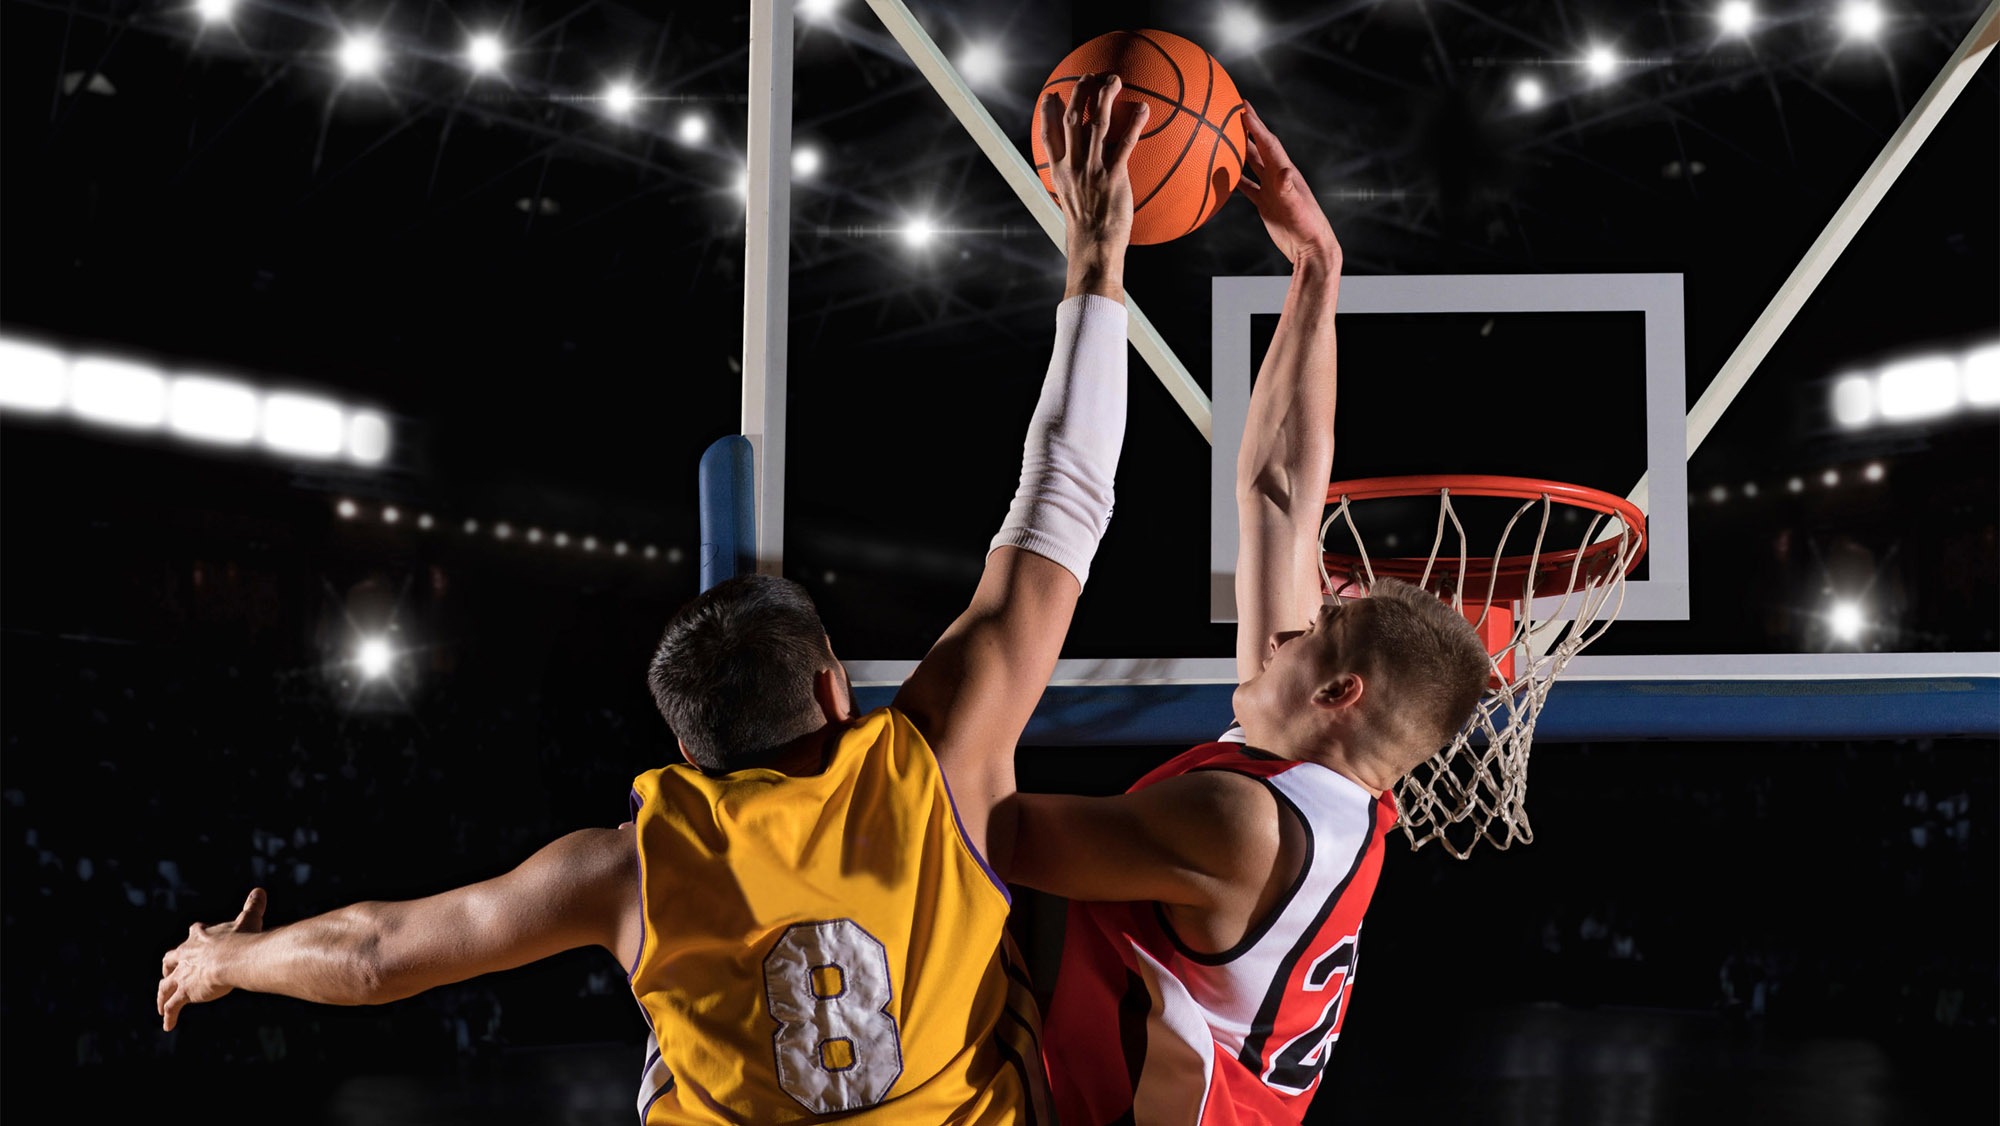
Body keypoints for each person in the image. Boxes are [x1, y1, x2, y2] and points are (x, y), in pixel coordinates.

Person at [157, 72, 1152, 1124]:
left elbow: (374, 953)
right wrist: (1095, 258)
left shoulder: (633, 865)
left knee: (673, 1041)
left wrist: (231, 959)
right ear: (833, 686)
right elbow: (1063, 499)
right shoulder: (937, 765)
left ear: (687, 754)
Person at [995, 106, 1493, 1124]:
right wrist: (1316, 267)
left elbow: (996, 835)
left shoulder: (1238, 825)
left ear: (1338, 692)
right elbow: (1276, 493)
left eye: (1309, 634)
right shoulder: (1312, 784)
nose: (1278, 629)